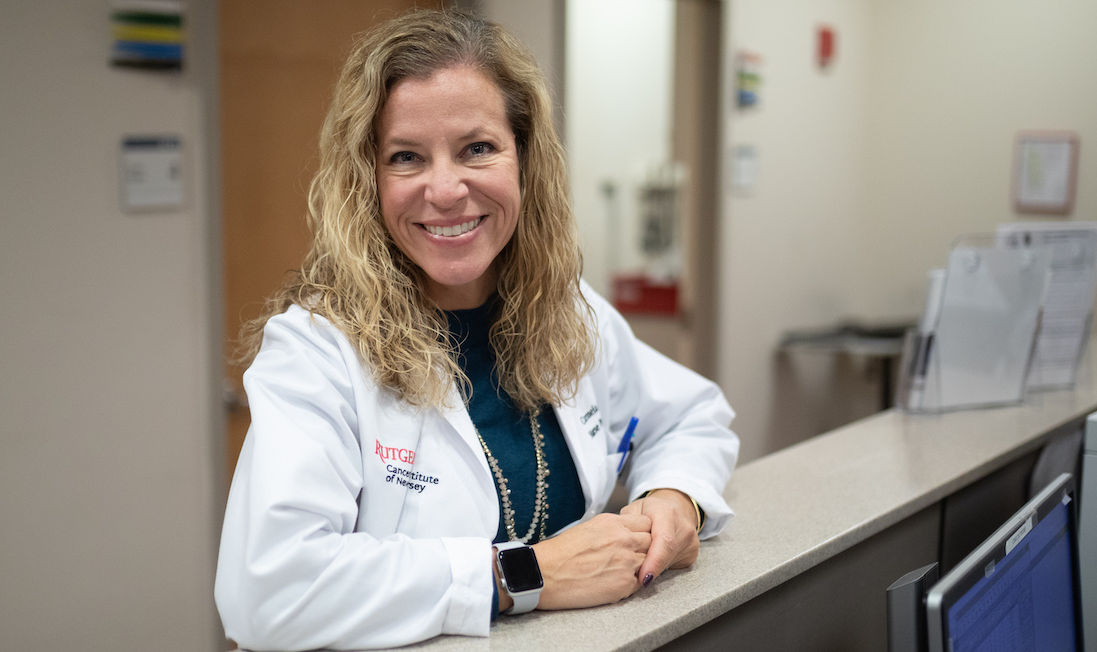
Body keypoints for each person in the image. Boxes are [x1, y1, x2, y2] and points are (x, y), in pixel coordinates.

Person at [214, 8, 738, 651]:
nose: (445, 189)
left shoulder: (565, 310)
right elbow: (270, 590)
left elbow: (691, 416)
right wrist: (526, 575)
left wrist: (673, 496)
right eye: (406, 157)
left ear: (524, 159)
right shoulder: (317, 351)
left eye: (477, 148)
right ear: (367, 181)